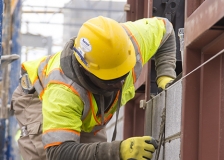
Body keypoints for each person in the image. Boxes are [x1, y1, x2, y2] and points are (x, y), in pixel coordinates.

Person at [11, 16, 176, 160]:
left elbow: (166, 29)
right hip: (37, 99)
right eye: (110, 80)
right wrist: (118, 150)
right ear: (87, 71)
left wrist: (165, 74)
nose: (119, 85)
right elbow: (58, 152)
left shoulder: (132, 41)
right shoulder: (63, 92)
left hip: (85, 107)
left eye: (123, 75)